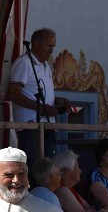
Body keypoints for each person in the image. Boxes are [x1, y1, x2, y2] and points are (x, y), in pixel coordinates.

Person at [6, 28, 72, 165]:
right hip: (30, 127)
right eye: (48, 46)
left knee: (47, 169)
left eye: (53, 46)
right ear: (35, 44)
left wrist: (56, 100)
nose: (51, 50)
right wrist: (41, 108)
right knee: (33, 167)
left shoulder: (46, 66)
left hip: (46, 126)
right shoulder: (24, 62)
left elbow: (38, 94)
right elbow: (14, 93)